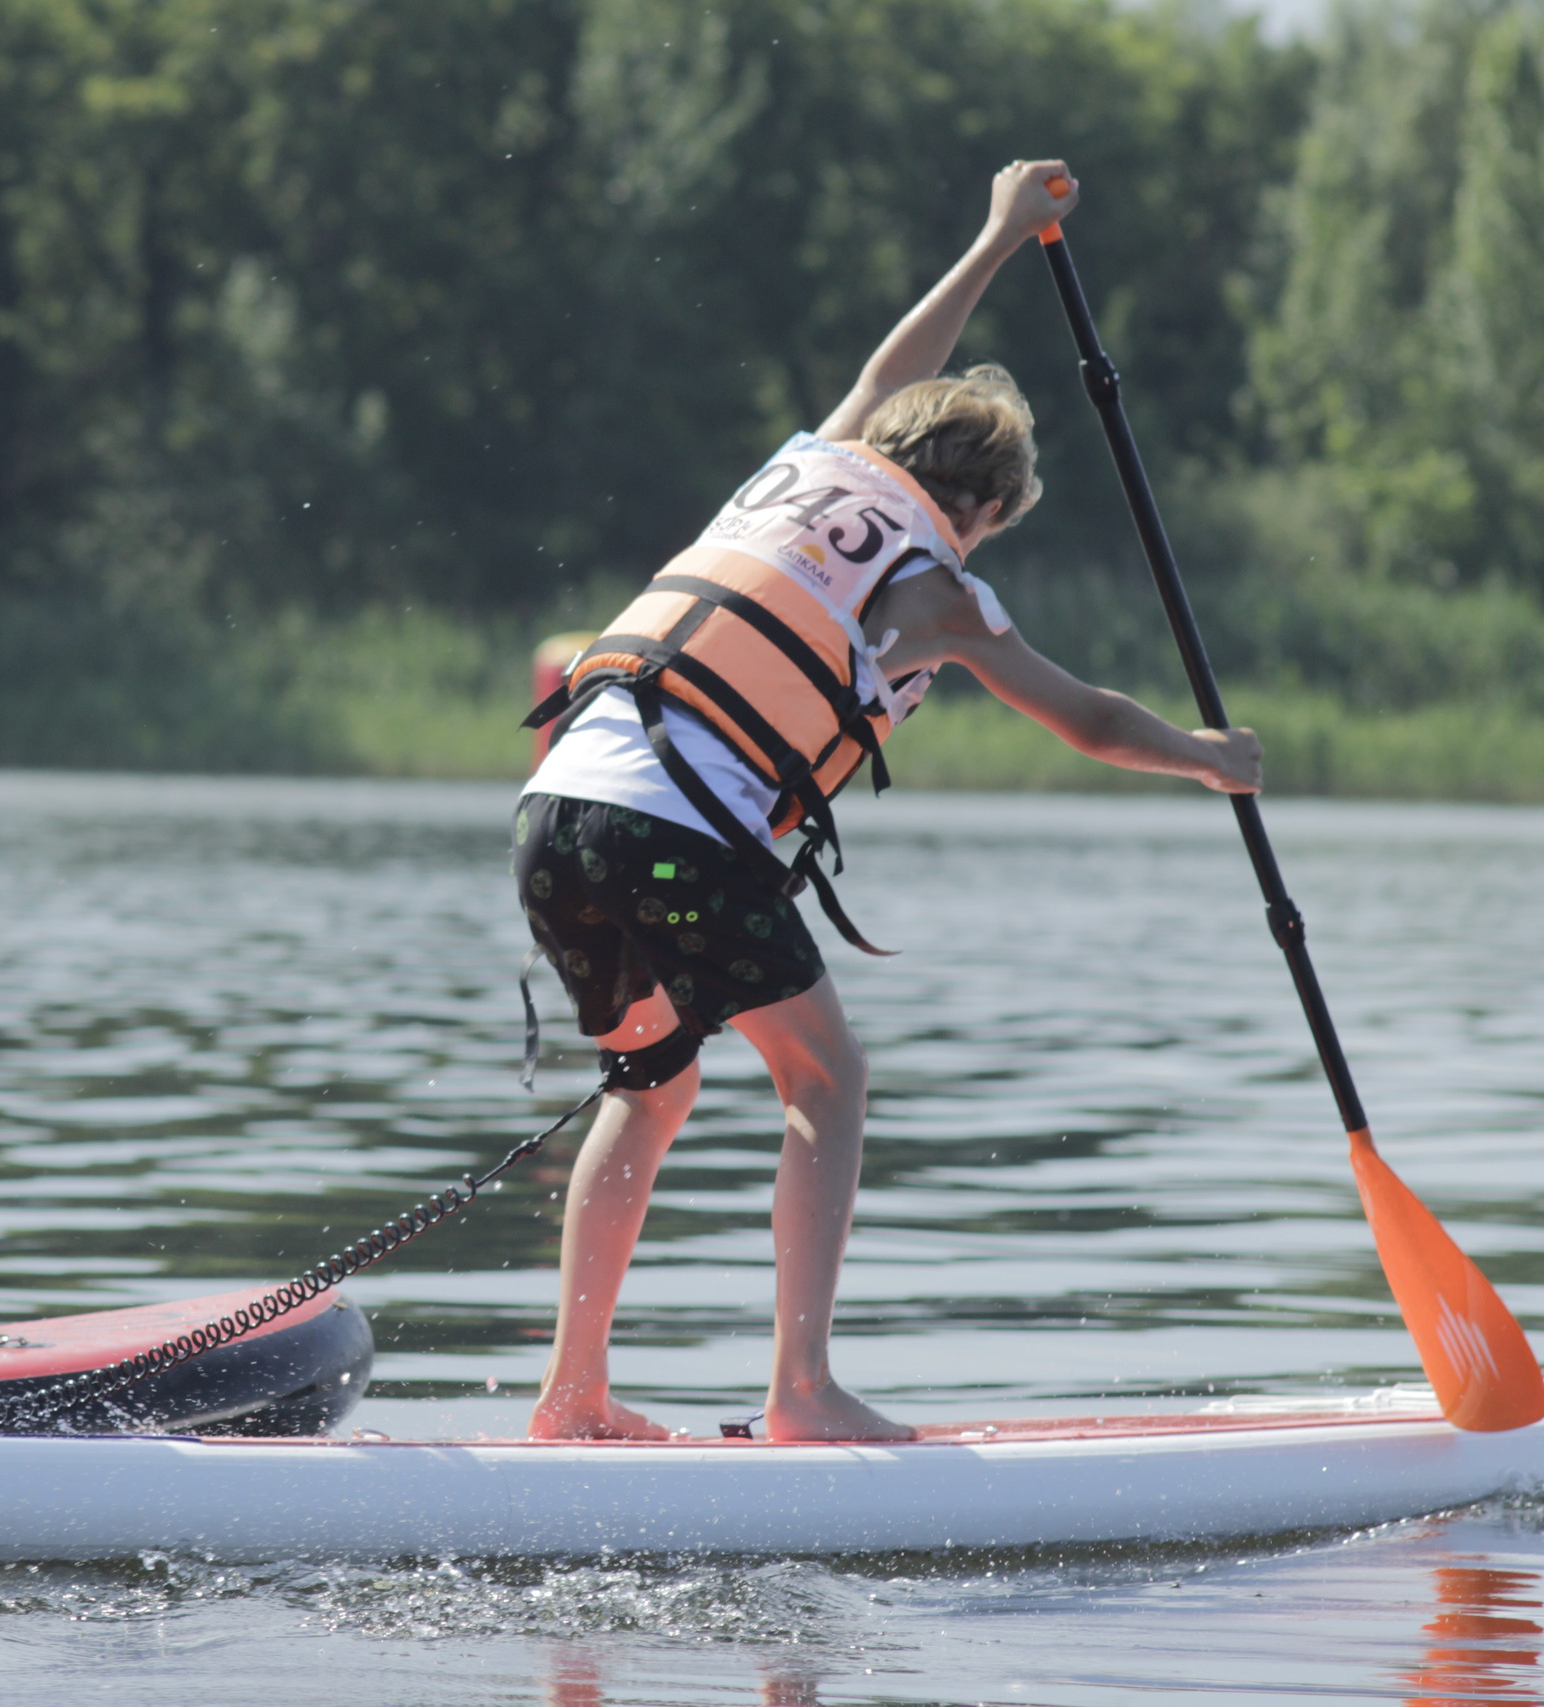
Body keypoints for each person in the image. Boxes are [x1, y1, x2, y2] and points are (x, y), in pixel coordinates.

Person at [515, 159, 1263, 1443]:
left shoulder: (810, 465)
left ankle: (570, 1395)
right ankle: (800, 1394)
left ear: (887, 447)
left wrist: (996, 235)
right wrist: (1208, 759)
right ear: (984, 509)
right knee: (827, 1079)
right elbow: (1086, 717)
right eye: (992, 526)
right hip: (667, 834)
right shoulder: (939, 590)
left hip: (551, 813)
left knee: (651, 1088)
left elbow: (893, 364)